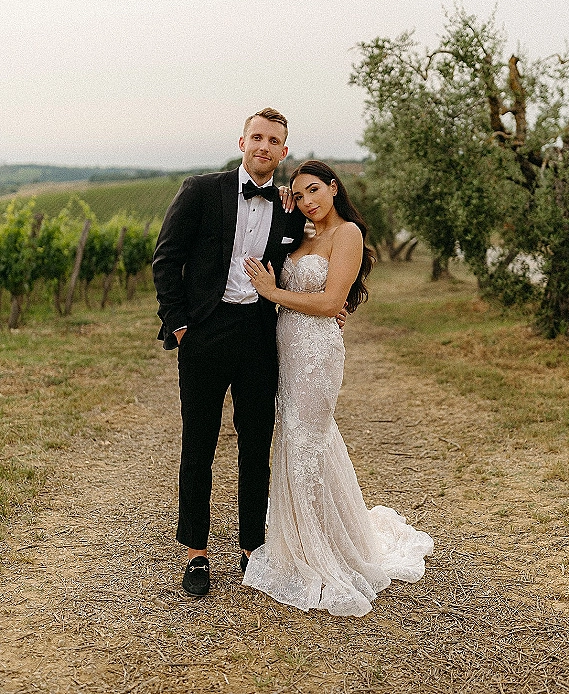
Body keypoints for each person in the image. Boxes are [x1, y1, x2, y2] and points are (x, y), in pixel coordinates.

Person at [241, 160, 434, 617]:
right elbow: (308, 289)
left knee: (309, 439)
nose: (308, 201)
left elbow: (330, 303)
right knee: (292, 438)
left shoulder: (347, 233)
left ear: (333, 187)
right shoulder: (303, 233)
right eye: (299, 195)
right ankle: (302, 534)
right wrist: (288, 217)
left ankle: (320, 547)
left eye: (314, 191)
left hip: (317, 353)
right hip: (286, 347)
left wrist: (271, 292)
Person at [152, 108, 307, 597]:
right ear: (242, 142)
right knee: (199, 443)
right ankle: (196, 553)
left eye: (274, 140)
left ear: (284, 151)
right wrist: (178, 325)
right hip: (203, 333)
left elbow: (320, 253)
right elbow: (166, 257)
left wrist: (337, 304)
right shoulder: (202, 190)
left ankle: (251, 549)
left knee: (255, 443)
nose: (264, 146)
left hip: (260, 337)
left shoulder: (289, 207)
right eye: (256, 137)